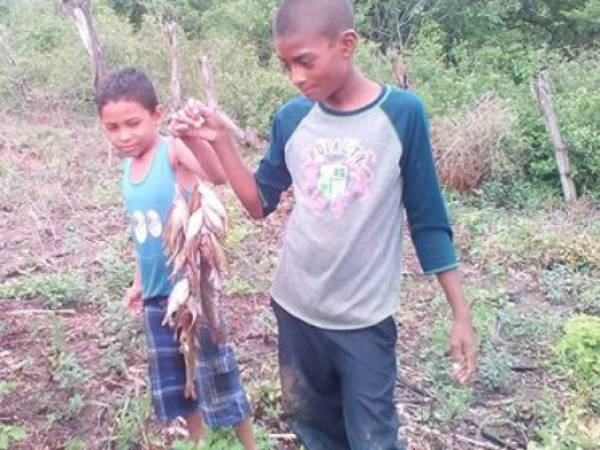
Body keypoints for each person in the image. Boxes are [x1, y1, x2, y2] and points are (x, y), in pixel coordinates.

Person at [170, 0, 478, 448]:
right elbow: (259, 204)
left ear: (346, 44)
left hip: (364, 321)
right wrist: (219, 140)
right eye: (286, 64)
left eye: (305, 61)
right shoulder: (292, 119)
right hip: (297, 312)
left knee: (373, 438)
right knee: (316, 433)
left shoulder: (401, 114)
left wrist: (461, 314)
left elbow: (428, 220)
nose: (296, 75)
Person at [95, 67, 256, 449]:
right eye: (112, 128)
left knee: (217, 375)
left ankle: (250, 445)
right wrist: (138, 283)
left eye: (133, 123)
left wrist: (192, 136)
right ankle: (198, 442)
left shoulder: (172, 150)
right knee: (180, 384)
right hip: (156, 299)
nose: (124, 135)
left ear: (157, 114)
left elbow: (216, 175)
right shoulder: (126, 169)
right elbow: (141, 235)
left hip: (192, 293)